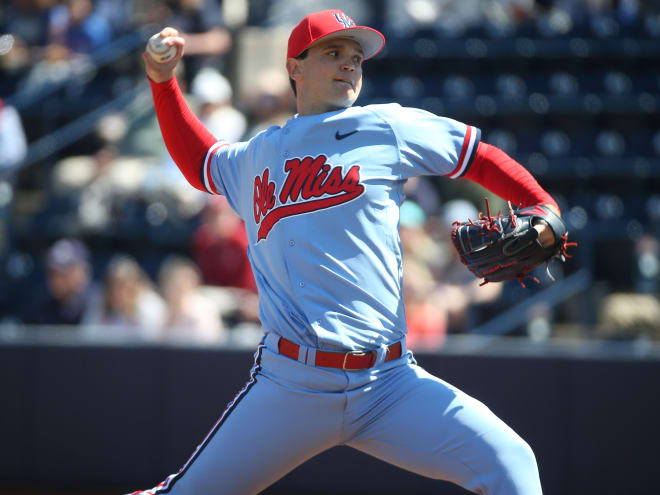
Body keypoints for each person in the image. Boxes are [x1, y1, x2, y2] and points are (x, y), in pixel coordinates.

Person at [133, 9, 562, 494]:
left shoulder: (387, 127)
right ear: (294, 67)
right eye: (333, 53)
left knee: (511, 463)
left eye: (356, 57)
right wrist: (163, 82)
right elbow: (199, 161)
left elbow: (477, 156)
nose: (348, 65)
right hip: (291, 383)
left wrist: (539, 203)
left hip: (389, 383)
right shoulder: (256, 155)